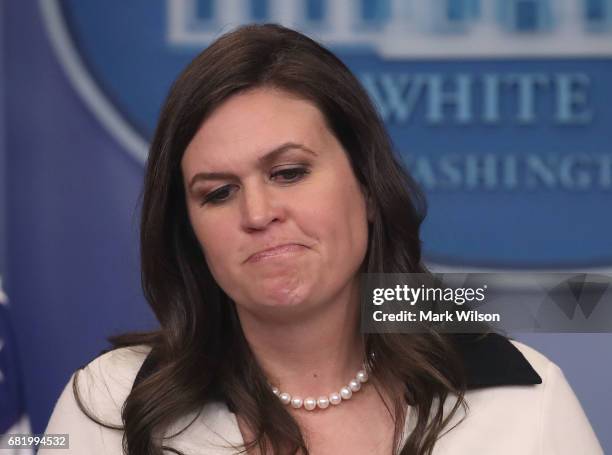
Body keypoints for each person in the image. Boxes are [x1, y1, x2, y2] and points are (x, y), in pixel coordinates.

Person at [41, 24, 603, 455]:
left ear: (365, 185)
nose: (259, 213)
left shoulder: (520, 399)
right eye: (218, 193)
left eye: (289, 173)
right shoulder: (112, 405)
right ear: (188, 232)